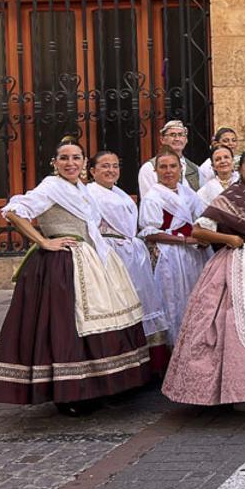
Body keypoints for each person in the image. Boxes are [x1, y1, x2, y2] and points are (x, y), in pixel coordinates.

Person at [0, 139, 149, 413]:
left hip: (92, 259)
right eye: (64, 158)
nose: (70, 163)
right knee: (66, 328)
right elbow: (14, 212)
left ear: (84, 162)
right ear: (55, 163)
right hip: (64, 265)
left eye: (76, 158)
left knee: (97, 326)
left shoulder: (82, 190)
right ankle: (70, 395)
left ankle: (96, 387)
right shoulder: (50, 187)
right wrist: (44, 241)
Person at [161, 149, 245, 414]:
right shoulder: (229, 197)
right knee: (239, 325)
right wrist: (229, 239)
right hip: (239, 263)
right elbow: (199, 230)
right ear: (240, 169)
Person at [87, 150, 168, 373]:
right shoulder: (90, 193)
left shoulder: (120, 193)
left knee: (143, 303)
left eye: (115, 166)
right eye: (105, 166)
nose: (111, 170)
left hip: (131, 254)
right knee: (121, 305)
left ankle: (150, 363)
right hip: (111, 253)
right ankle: (124, 367)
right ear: (92, 171)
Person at [139, 149, 209, 347]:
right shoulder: (153, 197)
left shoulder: (189, 194)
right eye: (163, 167)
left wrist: (203, 237)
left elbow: (201, 220)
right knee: (173, 301)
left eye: (172, 166)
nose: (168, 171)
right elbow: (150, 232)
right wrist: (185, 240)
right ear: (156, 171)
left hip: (194, 255)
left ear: (180, 169)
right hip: (169, 255)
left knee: (195, 298)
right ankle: (175, 347)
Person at [138, 119, 200, 197]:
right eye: (172, 135)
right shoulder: (149, 168)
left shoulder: (194, 168)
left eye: (181, 135)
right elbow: (149, 199)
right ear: (162, 139)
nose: (177, 139)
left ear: (186, 139)